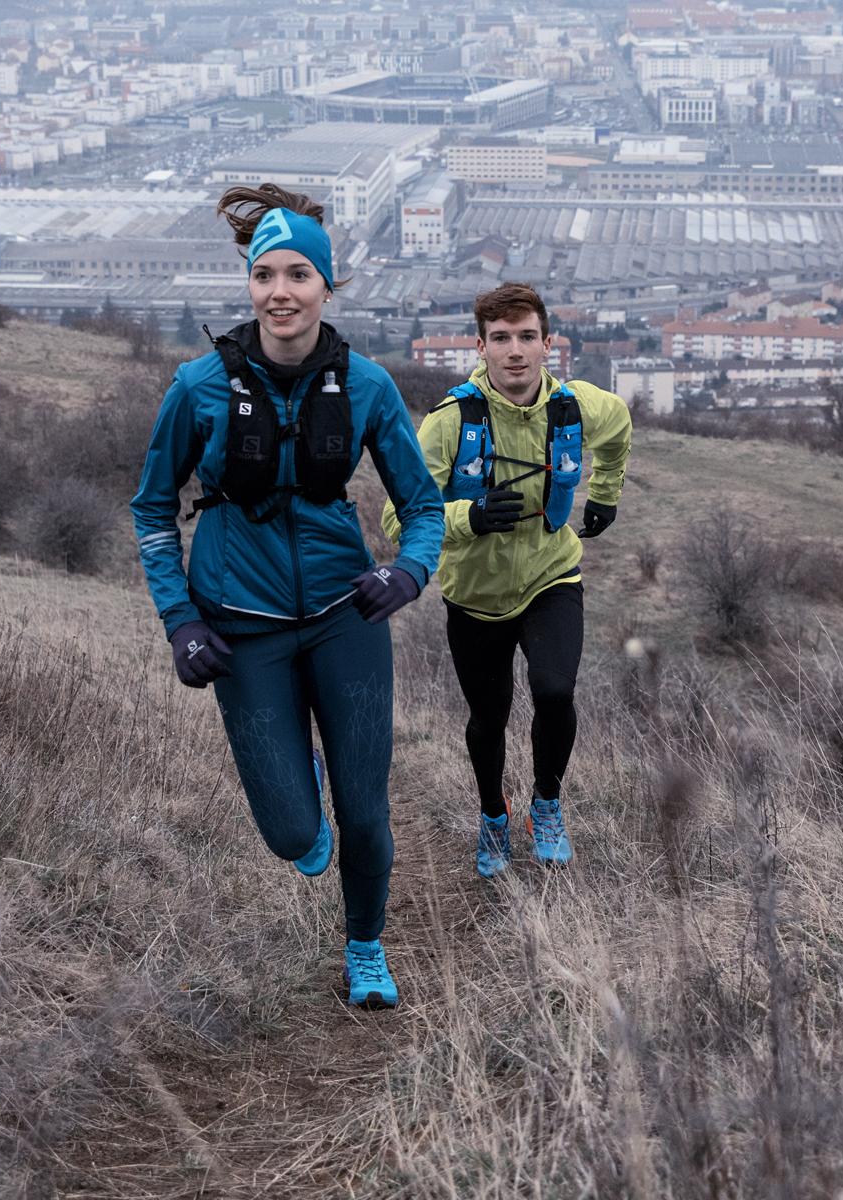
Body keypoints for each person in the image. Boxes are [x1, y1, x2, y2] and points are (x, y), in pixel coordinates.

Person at [131, 184, 445, 1008]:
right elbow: (152, 510)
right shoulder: (198, 386)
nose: (280, 291)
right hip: (241, 629)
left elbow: (422, 508)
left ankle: (366, 950)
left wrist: (406, 572)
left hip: (347, 617)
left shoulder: (368, 384)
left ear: (326, 287)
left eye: (298, 274)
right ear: (250, 286)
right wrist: (180, 621)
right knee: (297, 836)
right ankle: (295, 781)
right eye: (265, 274)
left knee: (367, 813)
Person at [382, 283, 632, 877]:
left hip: (551, 576)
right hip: (475, 596)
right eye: (501, 339)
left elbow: (619, 429)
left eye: (526, 337)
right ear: (481, 346)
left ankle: (546, 804)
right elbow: (399, 517)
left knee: (554, 691)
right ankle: (494, 815)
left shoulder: (579, 406)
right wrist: (466, 517)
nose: (514, 351)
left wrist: (605, 495)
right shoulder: (450, 424)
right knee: (488, 715)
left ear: (549, 345)